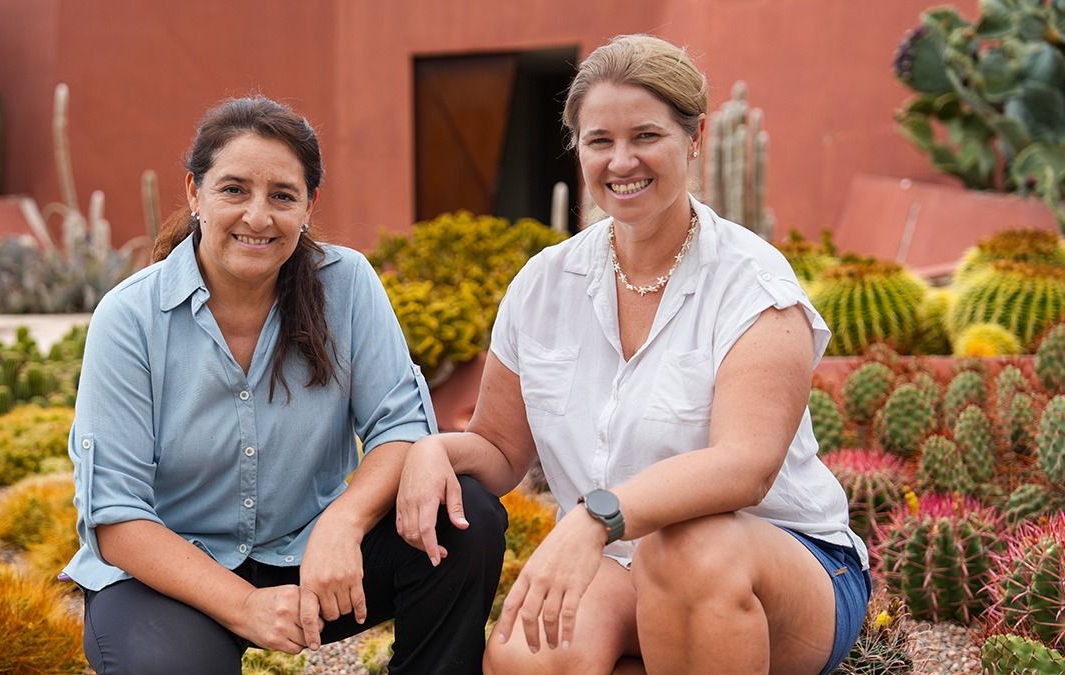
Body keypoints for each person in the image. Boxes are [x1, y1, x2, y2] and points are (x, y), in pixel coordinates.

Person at [396, 34, 869, 675]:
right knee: (526, 657)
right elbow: (503, 452)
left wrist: (594, 518)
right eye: (600, 142)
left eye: (646, 136)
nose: (622, 162)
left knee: (687, 549)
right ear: (579, 149)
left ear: (693, 138)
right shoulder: (541, 284)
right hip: (620, 564)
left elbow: (745, 467)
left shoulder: (753, 285)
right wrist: (432, 450)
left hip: (775, 563)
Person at [62, 96, 507, 674]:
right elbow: (115, 516)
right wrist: (244, 605)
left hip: (313, 555)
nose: (257, 216)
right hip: (171, 577)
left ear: (308, 205)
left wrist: (343, 523)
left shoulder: (346, 285)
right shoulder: (131, 317)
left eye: (281, 196)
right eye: (233, 190)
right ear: (195, 193)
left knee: (465, 515)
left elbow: (402, 428)